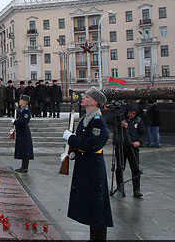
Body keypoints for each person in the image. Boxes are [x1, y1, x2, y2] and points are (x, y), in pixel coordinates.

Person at [62, 87, 113, 240]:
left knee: (97, 205)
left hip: (93, 167)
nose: (83, 98)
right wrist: (70, 153)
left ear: (94, 102)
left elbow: (93, 144)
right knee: (90, 204)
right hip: (85, 164)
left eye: (87, 96)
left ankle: (98, 238)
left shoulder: (96, 121)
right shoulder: (87, 117)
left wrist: (71, 139)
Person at [113, 103, 144, 198]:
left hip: (133, 148)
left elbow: (143, 133)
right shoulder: (121, 117)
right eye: (130, 113)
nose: (132, 115)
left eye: (134, 113)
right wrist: (120, 124)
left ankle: (136, 189)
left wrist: (139, 142)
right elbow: (111, 123)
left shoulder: (138, 121)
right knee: (120, 167)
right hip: (122, 146)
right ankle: (120, 185)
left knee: (135, 168)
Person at [13, 94, 34, 173]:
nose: (19, 101)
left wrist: (15, 122)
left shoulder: (25, 111)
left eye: (21, 100)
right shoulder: (21, 109)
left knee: (25, 150)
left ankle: (25, 167)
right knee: (23, 149)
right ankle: (23, 166)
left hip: (24, 132)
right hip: (21, 132)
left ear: (25, 102)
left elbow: (23, 122)